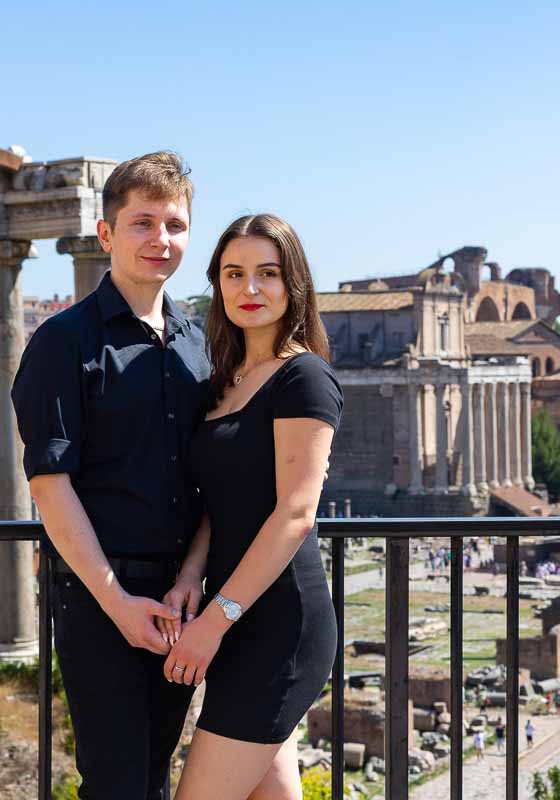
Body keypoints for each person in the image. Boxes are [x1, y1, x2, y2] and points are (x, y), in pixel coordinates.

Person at [11, 151, 211, 800]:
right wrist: (116, 601)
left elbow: (214, 476)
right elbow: (49, 484)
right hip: (101, 595)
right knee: (116, 784)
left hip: (182, 598)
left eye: (175, 225)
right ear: (106, 234)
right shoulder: (62, 342)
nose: (161, 240)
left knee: (154, 776)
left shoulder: (200, 340)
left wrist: (189, 579)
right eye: (143, 223)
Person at [163, 214, 342, 799]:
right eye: (234, 274)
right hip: (237, 616)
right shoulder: (227, 379)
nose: (250, 289)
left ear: (294, 285)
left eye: (268, 273)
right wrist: (192, 574)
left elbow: (295, 514)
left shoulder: (304, 377)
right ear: (217, 284)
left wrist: (213, 623)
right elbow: (224, 501)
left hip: (279, 625)